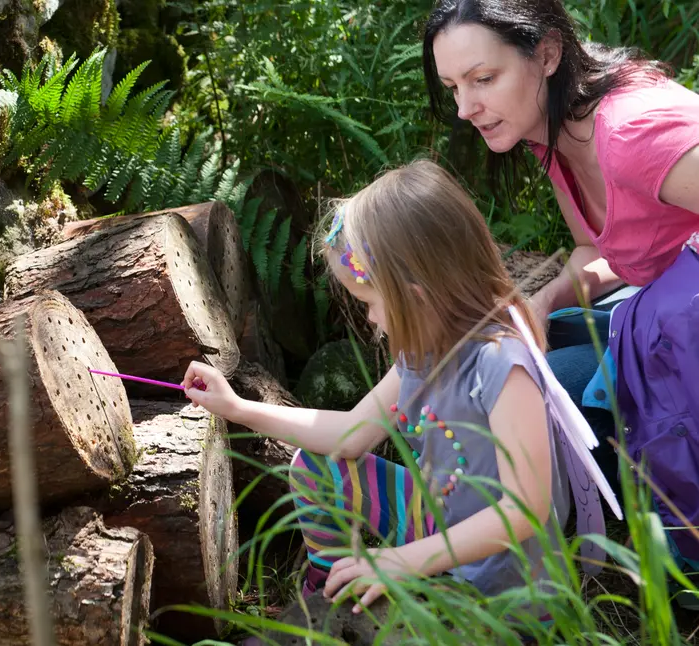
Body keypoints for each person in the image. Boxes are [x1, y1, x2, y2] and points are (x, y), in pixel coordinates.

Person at [181, 160, 612, 634]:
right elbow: (348, 436)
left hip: (508, 585)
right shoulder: (420, 354)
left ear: (416, 295)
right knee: (317, 465)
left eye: (370, 302)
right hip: (440, 525)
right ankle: (329, 601)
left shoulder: (501, 364)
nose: (369, 319)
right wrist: (237, 407)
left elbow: (523, 509)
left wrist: (403, 561)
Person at [422, 0, 699, 595]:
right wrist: (542, 303)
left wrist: (665, 308)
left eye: (482, 79)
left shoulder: (630, 134)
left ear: (546, 54)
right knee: (533, 403)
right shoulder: (553, 135)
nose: (465, 108)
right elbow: (597, 249)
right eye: (452, 87)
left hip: (680, 339)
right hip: (653, 333)